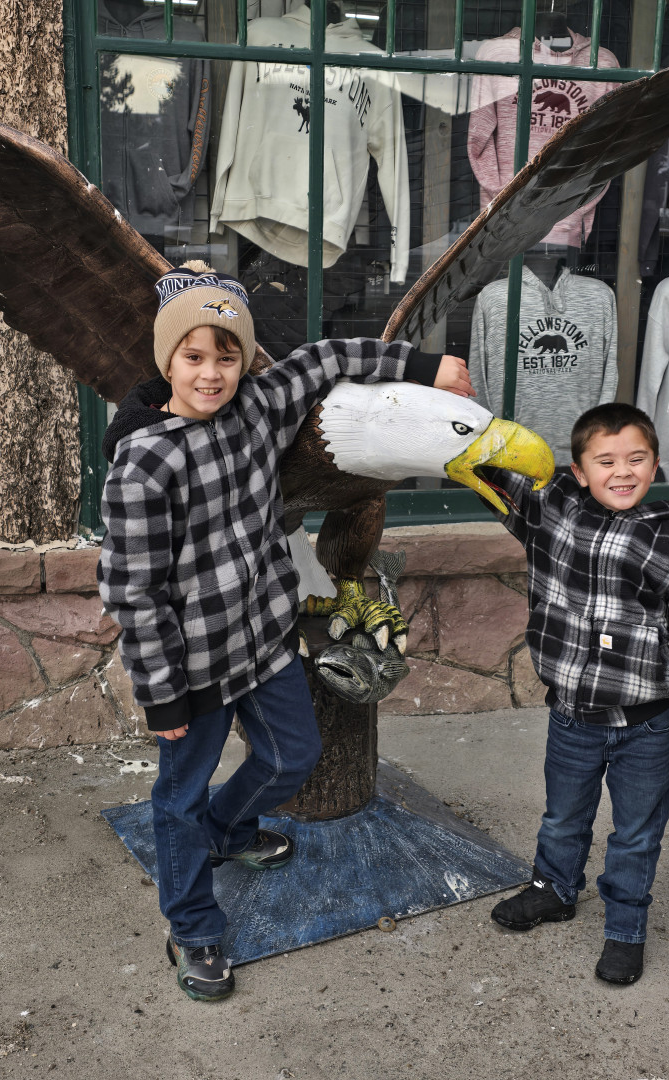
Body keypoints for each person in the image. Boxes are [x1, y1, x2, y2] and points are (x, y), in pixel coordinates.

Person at [97, 262, 474, 1002]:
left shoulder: (260, 406)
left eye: (226, 355)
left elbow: (328, 358)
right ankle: (193, 925)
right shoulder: (143, 463)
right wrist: (161, 693)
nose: (211, 374)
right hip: (193, 669)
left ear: (244, 359)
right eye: (193, 356)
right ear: (167, 360)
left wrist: (425, 367)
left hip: (264, 644)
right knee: (177, 802)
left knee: (293, 757)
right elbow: (133, 591)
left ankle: (228, 830)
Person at [488, 402, 669, 984]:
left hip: (646, 725)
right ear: (578, 469)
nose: (623, 471)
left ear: (656, 464)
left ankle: (625, 929)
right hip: (571, 718)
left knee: (636, 834)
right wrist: (451, 421)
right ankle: (554, 888)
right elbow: (492, 473)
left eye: (636, 459)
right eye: (606, 460)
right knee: (562, 817)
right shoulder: (552, 510)